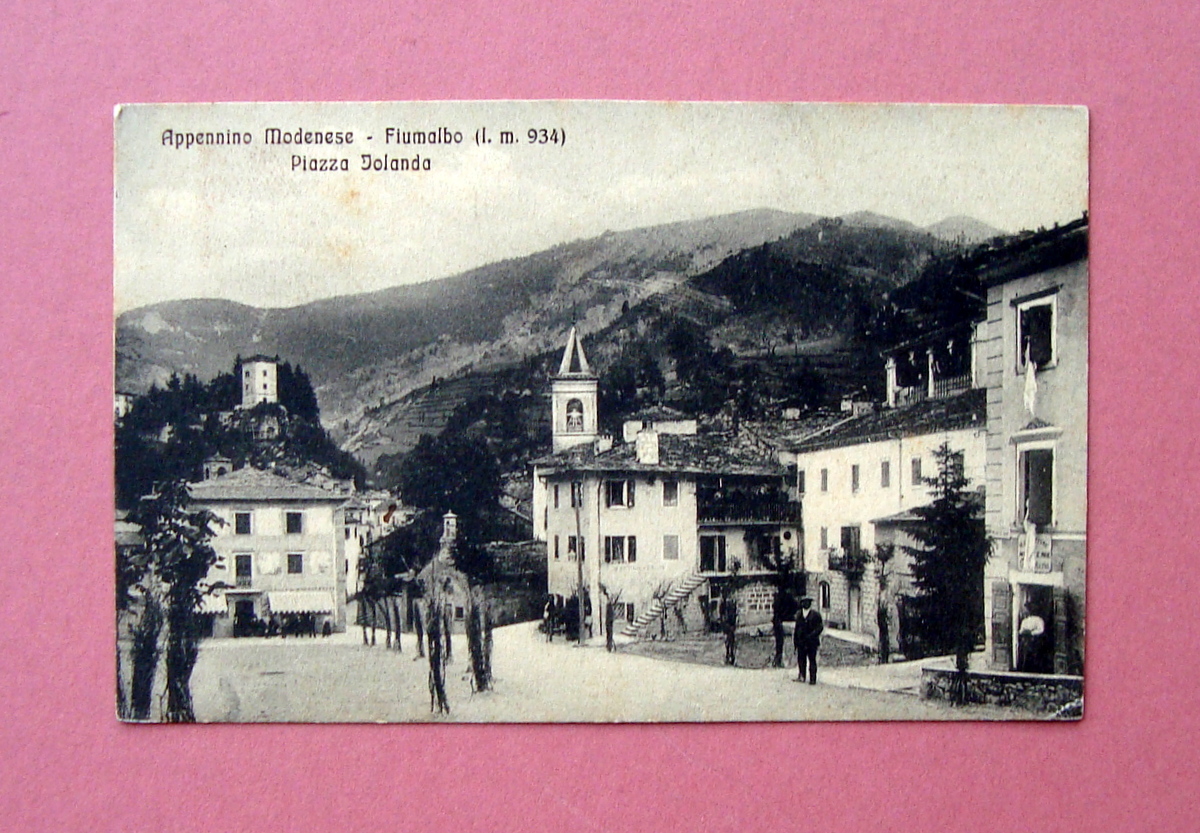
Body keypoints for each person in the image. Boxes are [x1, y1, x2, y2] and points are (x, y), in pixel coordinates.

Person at [794, 596, 823, 684]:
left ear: (810, 604)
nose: (806, 604)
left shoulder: (815, 615)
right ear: (802, 603)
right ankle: (802, 676)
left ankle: (812, 678)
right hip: (801, 642)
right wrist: (795, 642)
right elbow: (796, 628)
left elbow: (820, 627)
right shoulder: (799, 614)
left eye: (808, 602)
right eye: (804, 602)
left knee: (812, 660)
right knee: (801, 659)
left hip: (812, 642)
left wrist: (813, 635)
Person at [1017, 605, 1047, 673]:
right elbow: (1021, 631)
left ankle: (1035, 670)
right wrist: (1024, 633)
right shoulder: (1025, 621)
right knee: (1023, 653)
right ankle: (1023, 669)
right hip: (1026, 640)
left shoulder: (1038, 620)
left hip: (1035, 640)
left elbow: (1041, 630)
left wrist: (1031, 633)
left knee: (1035, 655)